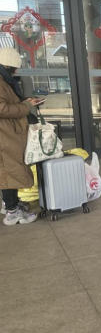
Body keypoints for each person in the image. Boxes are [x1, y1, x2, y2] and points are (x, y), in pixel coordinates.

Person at [0, 47, 39, 226]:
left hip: (7, 133)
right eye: (14, 69)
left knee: (9, 169)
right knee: (9, 171)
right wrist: (26, 106)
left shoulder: (3, 80)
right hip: (5, 135)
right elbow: (2, 109)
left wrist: (26, 102)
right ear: (6, 65)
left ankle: (10, 204)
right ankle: (12, 212)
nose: (15, 72)